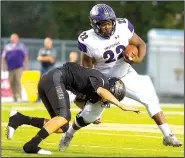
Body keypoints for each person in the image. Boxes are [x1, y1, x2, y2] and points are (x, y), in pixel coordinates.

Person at [75, 4, 182, 147]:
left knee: (150, 100)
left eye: (109, 23)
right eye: (102, 24)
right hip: (103, 79)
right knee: (90, 116)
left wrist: (137, 59)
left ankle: (168, 135)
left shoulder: (123, 26)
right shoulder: (88, 40)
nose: (107, 27)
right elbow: (86, 68)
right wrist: (93, 89)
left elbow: (141, 44)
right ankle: (68, 134)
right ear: (94, 25)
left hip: (125, 74)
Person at [6, 62, 140, 155]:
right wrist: (121, 105)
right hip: (55, 78)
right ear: (110, 89)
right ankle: (31, 145)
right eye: (111, 96)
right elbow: (102, 92)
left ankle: (19, 119)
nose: (105, 100)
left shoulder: (95, 89)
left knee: (62, 127)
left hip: (49, 80)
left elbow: (78, 101)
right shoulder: (102, 81)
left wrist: (92, 118)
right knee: (64, 117)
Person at [1, 33, 29, 102]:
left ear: (17, 38)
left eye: (13, 38)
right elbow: (3, 57)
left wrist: (26, 65)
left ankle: (19, 96)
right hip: (10, 67)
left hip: (19, 67)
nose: (12, 39)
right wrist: (3, 66)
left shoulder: (21, 46)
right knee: (11, 82)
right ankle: (14, 97)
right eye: (11, 38)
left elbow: (25, 56)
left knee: (17, 81)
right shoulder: (7, 47)